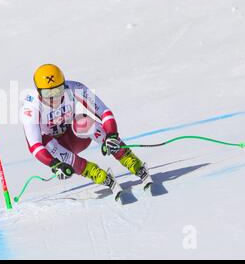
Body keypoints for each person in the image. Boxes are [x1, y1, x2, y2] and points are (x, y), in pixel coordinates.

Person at [22, 64, 152, 198]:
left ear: (64, 84)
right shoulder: (31, 107)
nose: (53, 98)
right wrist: (54, 164)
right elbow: (34, 146)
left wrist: (111, 134)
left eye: (58, 91)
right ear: (38, 91)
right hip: (56, 150)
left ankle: (132, 161)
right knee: (46, 142)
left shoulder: (73, 88)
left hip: (76, 139)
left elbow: (104, 112)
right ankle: (94, 172)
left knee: (82, 121)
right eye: (47, 93)